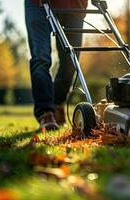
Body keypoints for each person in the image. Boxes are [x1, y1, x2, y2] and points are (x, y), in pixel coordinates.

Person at [25, 0, 88, 130]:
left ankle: (57, 103)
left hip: (74, 5)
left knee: (71, 60)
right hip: (38, 4)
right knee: (41, 58)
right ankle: (46, 113)